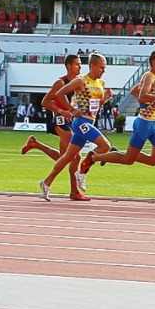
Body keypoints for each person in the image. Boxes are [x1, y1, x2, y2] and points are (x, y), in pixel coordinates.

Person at [81, 49, 155, 203]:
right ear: (154, 62)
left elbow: (142, 96)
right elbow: (142, 96)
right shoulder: (148, 77)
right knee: (128, 159)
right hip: (144, 124)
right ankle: (94, 157)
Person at [39, 52, 112, 201]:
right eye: (101, 68)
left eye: (105, 68)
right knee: (105, 146)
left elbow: (95, 106)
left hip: (89, 120)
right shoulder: (81, 81)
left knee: (68, 157)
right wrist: (71, 110)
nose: (103, 71)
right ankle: (82, 171)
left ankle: (46, 182)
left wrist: (105, 98)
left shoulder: (101, 83)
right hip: (80, 122)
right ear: (92, 66)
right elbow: (60, 94)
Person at [21, 53, 82, 172]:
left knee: (63, 157)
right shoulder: (61, 83)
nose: (80, 67)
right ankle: (74, 189)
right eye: (77, 65)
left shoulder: (79, 82)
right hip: (61, 119)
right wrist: (61, 111)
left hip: (72, 120)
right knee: (75, 156)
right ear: (69, 66)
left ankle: (35, 144)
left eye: (80, 65)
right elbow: (45, 101)